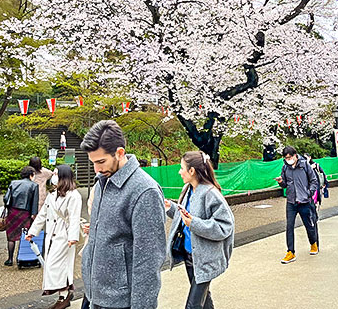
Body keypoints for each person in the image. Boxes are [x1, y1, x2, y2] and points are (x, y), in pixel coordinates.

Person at [80, 120, 166, 309]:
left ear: (120, 153)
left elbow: (149, 262)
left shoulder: (144, 191)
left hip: (122, 302)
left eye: (101, 161)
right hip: (96, 295)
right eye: (93, 162)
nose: (97, 169)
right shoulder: (103, 181)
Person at [165, 151, 235, 309]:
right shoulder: (187, 189)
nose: (179, 171)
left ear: (192, 171)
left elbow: (225, 226)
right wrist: (171, 207)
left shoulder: (210, 194)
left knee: (193, 305)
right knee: (204, 302)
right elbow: (185, 215)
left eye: (182, 168)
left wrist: (194, 224)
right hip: (191, 256)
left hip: (205, 259)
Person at [26, 165, 82, 309]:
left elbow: (74, 218)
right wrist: (33, 231)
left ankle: (64, 295)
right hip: (51, 235)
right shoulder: (52, 195)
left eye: (56, 173)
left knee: (60, 265)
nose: (54, 176)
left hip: (65, 235)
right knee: (52, 265)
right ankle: (63, 295)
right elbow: (42, 214)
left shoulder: (74, 195)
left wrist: (73, 237)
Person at [276, 145, 318, 263]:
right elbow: (285, 184)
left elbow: (314, 180)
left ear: (295, 155)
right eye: (286, 158)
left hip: (304, 201)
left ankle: (313, 243)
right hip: (291, 201)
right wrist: (281, 182)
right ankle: (290, 252)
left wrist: (309, 193)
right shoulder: (285, 168)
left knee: (308, 225)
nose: (288, 159)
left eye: (290, 157)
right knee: (289, 227)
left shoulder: (304, 165)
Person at [3, 166, 40, 266]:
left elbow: (6, 198)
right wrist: (34, 214)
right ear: (31, 174)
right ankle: (26, 258)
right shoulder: (34, 186)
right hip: (25, 213)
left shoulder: (13, 183)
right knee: (26, 235)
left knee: (11, 236)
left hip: (13, 211)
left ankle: (10, 259)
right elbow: (34, 202)